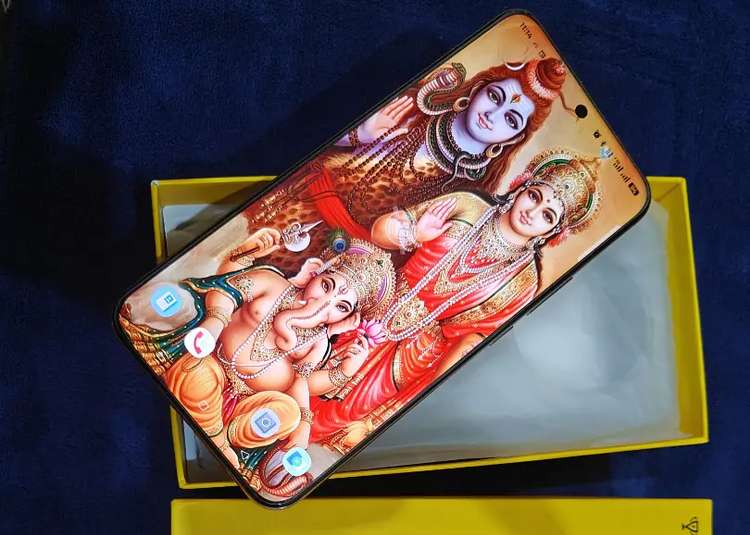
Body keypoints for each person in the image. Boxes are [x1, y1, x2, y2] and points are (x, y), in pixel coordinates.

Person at [306, 150, 601, 451]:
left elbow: (472, 345)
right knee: (305, 361)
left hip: (414, 357)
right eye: (535, 196)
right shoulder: (467, 206)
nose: (533, 212)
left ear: (553, 232)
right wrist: (413, 234)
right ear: (522, 187)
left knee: (342, 414)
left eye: (548, 216)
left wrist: (423, 395)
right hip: (377, 304)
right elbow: (380, 232)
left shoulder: (525, 284)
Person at [237, 59, 569, 273]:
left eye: (511, 119)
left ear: (514, 138)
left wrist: (412, 235)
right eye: (494, 97)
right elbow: (311, 131)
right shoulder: (415, 106)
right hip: (292, 204)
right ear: (479, 89)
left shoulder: (473, 195)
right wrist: (359, 134)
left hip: (335, 260)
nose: (492, 115)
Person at [119, 235, 395, 470]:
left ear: (347, 318)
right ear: (315, 272)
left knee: (287, 413)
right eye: (326, 286)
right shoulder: (272, 283)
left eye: (341, 306)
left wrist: (342, 374)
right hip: (213, 365)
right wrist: (215, 323)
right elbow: (225, 291)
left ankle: (230, 438)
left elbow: (302, 382)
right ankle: (217, 441)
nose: (324, 303)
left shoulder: (318, 342)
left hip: (248, 405)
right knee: (198, 373)